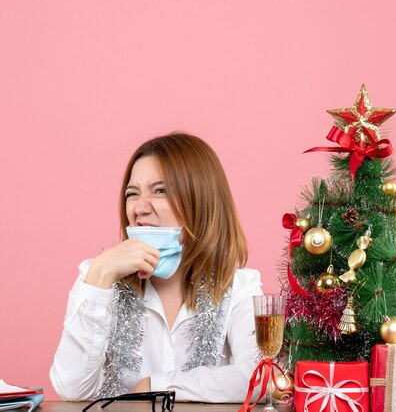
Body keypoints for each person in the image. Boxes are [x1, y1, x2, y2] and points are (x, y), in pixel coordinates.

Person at [50, 132, 263, 402]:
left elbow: (260, 376)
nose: (139, 208)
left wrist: (158, 385)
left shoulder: (240, 287)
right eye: (132, 193)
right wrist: (101, 274)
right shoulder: (98, 279)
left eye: (160, 190)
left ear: (201, 201)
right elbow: (72, 389)